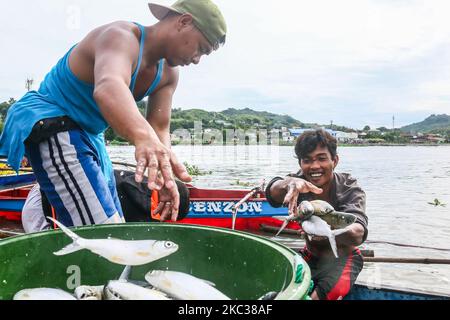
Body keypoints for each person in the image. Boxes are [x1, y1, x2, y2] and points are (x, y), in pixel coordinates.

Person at [0, 0, 226, 227]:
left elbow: (158, 127)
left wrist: (165, 176)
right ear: (184, 21)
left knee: (116, 224)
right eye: (201, 48)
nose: (197, 59)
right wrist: (142, 138)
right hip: (53, 120)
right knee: (103, 230)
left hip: (91, 135)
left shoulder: (169, 74)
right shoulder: (121, 36)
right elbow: (109, 87)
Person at [265, 129, 368, 300]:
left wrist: (327, 234)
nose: (314, 166)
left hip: (342, 259)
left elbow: (358, 232)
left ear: (334, 160)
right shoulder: (297, 183)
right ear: (300, 163)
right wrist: (289, 183)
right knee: (274, 290)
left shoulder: (349, 188)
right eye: (307, 160)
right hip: (309, 255)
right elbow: (272, 193)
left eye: (321, 158)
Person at [21, 169, 191, 233]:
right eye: (170, 216)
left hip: (42, 189)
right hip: (42, 208)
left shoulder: (142, 182)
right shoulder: (142, 210)